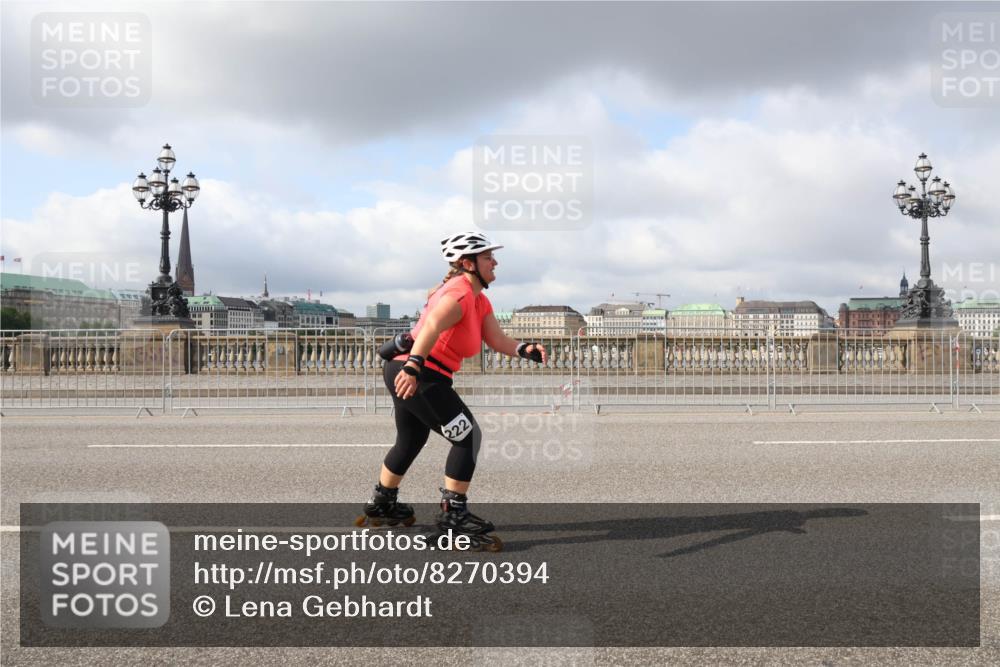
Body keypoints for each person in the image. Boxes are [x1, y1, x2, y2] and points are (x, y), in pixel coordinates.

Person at [356, 232, 547, 552]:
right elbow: (431, 326)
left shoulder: (479, 299)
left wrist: (524, 349)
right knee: (468, 437)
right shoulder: (458, 294)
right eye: (488, 257)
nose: (495, 262)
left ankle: (383, 504)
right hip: (418, 374)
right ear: (467, 263)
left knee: (411, 439)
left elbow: (496, 340)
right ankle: (452, 518)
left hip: (412, 371)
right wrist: (414, 367)